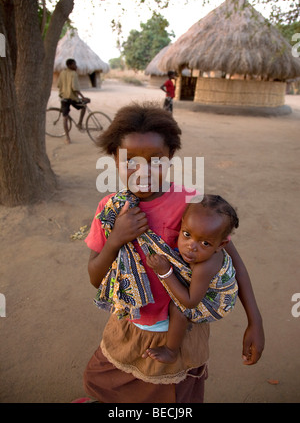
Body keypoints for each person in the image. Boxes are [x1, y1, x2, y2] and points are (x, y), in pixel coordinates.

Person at [83, 102, 264, 403]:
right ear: (114, 158)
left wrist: (254, 321)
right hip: (130, 320)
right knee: (104, 381)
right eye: (130, 161)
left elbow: (233, 261)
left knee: (172, 396)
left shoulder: (190, 204)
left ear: (170, 158)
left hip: (177, 330)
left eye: (156, 160)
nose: (143, 172)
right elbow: (94, 277)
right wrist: (116, 239)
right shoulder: (110, 211)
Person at [144, 194, 239, 364]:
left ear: (221, 245)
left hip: (217, 302)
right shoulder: (200, 253)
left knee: (178, 309)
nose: (191, 247)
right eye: (187, 234)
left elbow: (190, 302)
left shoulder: (205, 266)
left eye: (205, 244)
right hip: (208, 288)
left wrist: (165, 272)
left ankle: (171, 351)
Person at [57, 58, 90, 144]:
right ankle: (79, 123)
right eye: (74, 64)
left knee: (65, 118)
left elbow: (58, 85)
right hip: (72, 98)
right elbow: (75, 88)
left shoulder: (62, 73)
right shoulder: (73, 74)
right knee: (83, 106)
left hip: (64, 98)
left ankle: (67, 138)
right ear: (70, 65)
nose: (76, 66)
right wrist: (83, 97)